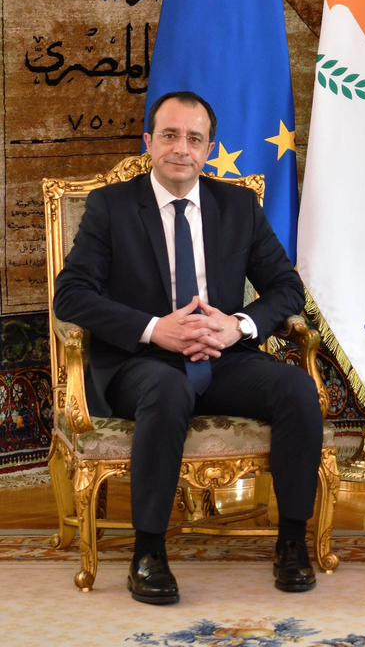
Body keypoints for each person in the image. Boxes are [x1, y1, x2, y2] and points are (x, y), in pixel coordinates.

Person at [54, 91, 322, 605]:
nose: (182, 148)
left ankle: (292, 542)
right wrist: (155, 328)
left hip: (223, 357)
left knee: (296, 389)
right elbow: (71, 295)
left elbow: (287, 288)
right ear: (149, 141)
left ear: (209, 149)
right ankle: (149, 552)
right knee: (168, 390)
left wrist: (238, 326)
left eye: (194, 139)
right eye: (171, 135)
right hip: (141, 362)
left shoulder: (237, 207)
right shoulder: (112, 207)